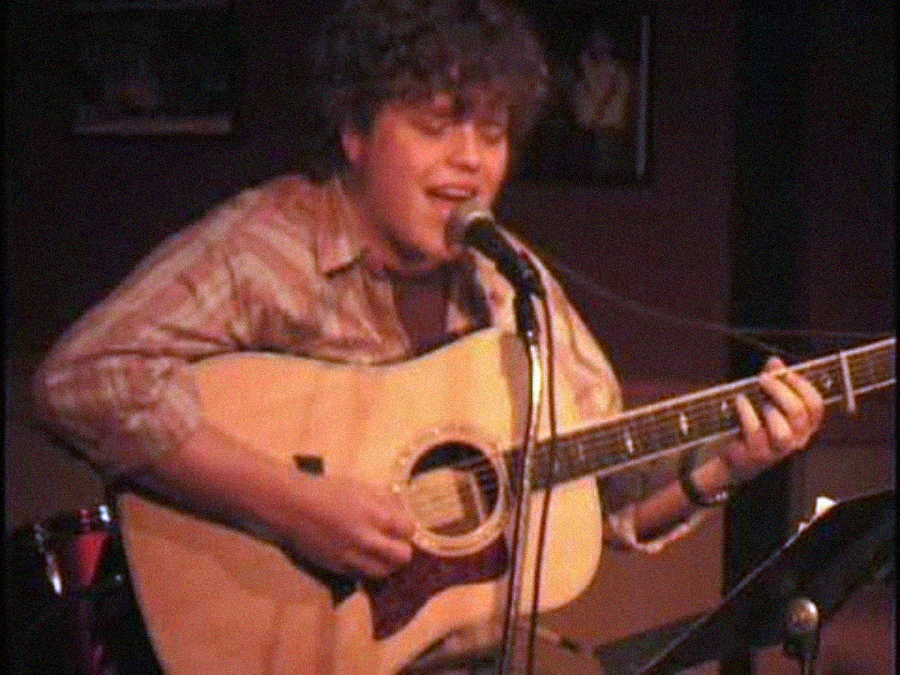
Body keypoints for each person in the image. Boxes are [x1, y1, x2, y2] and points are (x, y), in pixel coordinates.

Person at [31, 1, 825, 673]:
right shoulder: (270, 245)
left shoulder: (509, 283)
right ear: (356, 132)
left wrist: (727, 462)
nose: (470, 163)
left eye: (493, 133)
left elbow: (606, 505)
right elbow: (79, 381)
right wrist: (295, 507)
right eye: (438, 127)